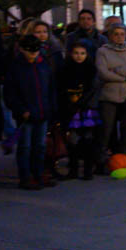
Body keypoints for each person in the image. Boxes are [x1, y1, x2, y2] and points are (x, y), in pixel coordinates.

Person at [2, 35, 58, 190]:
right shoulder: (16, 67)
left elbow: (51, 88)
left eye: (36, 51)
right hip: (26, 114)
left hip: (43, 112)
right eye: (29, 51)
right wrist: (21, 110)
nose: (33, 54)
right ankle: (25, 177)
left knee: (40, 146)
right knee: (25, 147)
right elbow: (9, 94)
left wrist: (52, 108)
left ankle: (38, 174)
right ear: (21, 49)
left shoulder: (43, 64)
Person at [95, 20, 126, 159]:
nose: (119, 37)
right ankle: (101, 158)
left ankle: (123, 157)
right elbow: (103, 73)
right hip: (108, 96)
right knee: (106, 129)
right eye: (116, 34)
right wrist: (125, 77)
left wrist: (117, 70)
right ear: (110, 36)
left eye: (122, 34)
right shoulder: (102, 51)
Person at [55, 42, 102, 181]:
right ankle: (73, 169)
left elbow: (93, 89)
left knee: (88, 139)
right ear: (70, 54)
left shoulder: (91, 69)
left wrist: (83, 103)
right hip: (69, 108)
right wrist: (68, 104)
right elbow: (60, 88)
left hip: (86, 109)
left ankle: (88, 170)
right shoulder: (64, 69)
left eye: (82, 53)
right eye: (76, 53)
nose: (79, 56)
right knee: (72, 140)